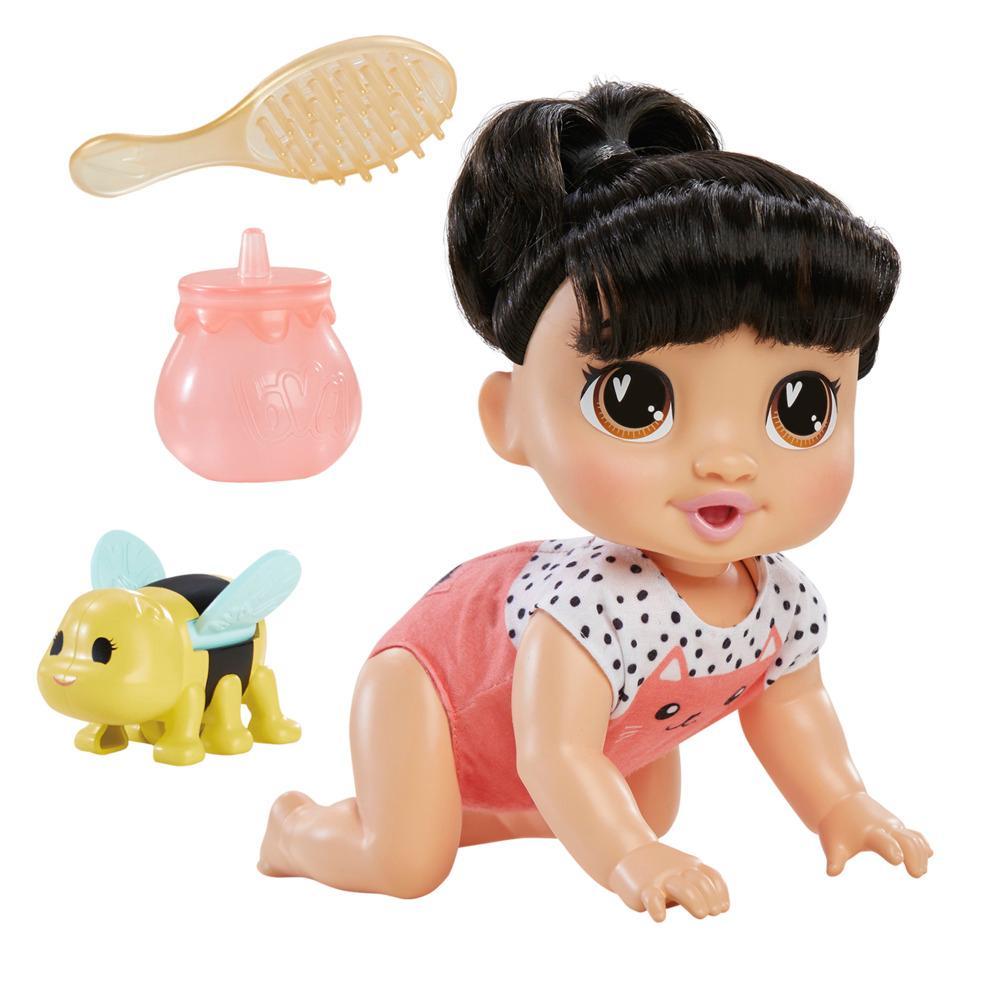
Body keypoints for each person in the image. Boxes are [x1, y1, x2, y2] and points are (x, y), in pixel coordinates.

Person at [259, 82, 932, 920]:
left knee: (650, 807)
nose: (728, 459)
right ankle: (299, 830)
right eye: (637, 401)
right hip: (429, 695)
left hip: (590, 745)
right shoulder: (587, 609)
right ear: (511, 418)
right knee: (406, 862)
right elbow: (555, 751)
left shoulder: (781, 600)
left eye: (801, 408)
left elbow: (791, 704)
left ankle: (470, 814)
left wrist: (841, 803)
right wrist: (628, 857)